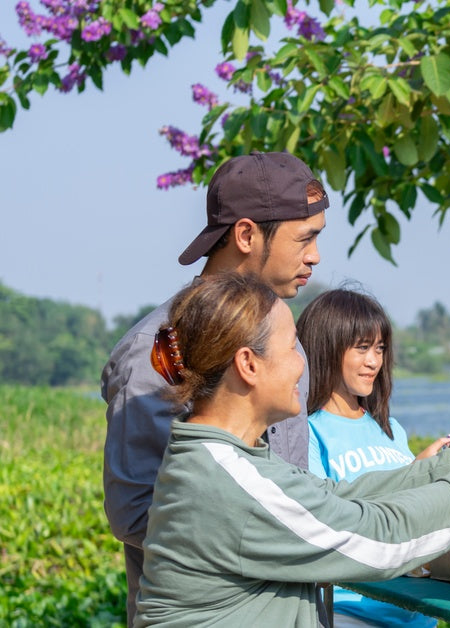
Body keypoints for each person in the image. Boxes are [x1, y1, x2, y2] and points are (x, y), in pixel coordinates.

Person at [134, 273, 450, 627]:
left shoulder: (233, 461)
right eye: (291, 348)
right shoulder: (227, 480)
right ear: (249, 365)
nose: (303, 363)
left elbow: (342, 496)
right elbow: (380, 536)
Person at [102, 151, 330, 622]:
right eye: (305, 238)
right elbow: (134, 512)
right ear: (246, 235)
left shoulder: (287, 344)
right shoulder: (157, 352)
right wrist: (272, 535)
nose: (315, 256)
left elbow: (294, 487)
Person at [298, 287, 447, 628]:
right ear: (327, 346)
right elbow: (324, 518)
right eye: (362, 348)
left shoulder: (391, 428)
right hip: (349, 611)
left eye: (379, 348)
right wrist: (416, 472)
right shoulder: (307, 432)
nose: (374, 361)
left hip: (417, 611)